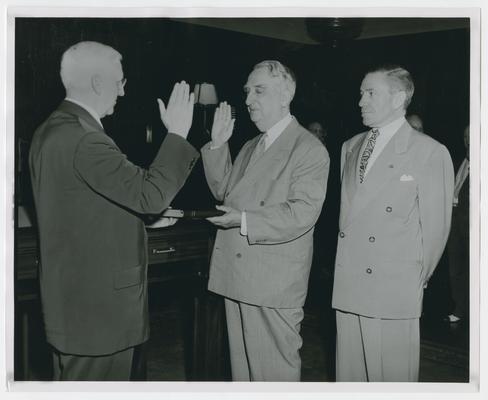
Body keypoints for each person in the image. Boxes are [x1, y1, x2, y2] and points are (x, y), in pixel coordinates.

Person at [29, 41, 199, 380]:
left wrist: (138, 215)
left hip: (74, 304)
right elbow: (150, 194)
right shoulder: (85, 138)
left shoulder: (51, 129)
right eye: (119, 81)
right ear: (97, 82)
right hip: (98, 312)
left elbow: (81, 207)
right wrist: (178, 133)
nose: (122, 91)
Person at [201, 60, 329, 381]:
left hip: (272, 284)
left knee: (273, 377)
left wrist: (244, 220)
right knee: (244, 377)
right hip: (239, 275)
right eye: (247, 91)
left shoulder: (308, 148)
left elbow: (301, 213)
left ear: (286, 94)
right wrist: (218, 145)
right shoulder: (250, 145)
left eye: (259, 91)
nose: (248, 100)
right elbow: (224, 192)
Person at [332, 64, 454, 382]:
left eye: (371, 93)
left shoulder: (429, 152)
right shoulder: (350, 147)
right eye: (361, 93)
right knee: (351, 379)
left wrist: (412, 280)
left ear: (399, 98)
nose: (361, 101)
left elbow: (436, 230)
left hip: (392, 288)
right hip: (349, 285)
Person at [447, 125, 470, 323]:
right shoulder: (459, 162)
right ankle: (459, 308)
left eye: (472, 136)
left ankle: (471, 310)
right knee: (454, 267)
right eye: (465, 136)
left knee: (471, 269)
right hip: (453, 223)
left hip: (470, 226)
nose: (468, 140)